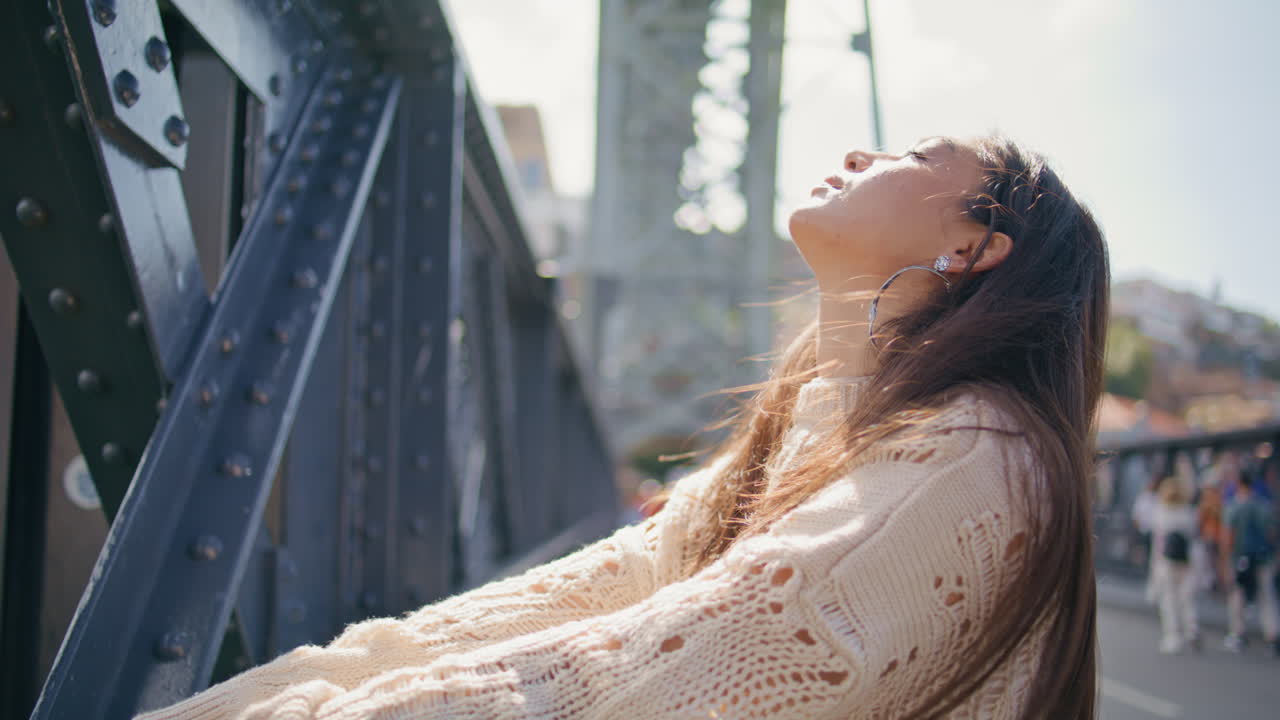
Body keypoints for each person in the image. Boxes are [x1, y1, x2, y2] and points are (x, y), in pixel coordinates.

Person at [136, 135, 1109, 719]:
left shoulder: (972, 461)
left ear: (972, 247)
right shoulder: (818, 424)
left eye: (913, 156)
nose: (861, 152)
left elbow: (629, 681)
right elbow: (599, 592)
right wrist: (293, 685)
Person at [1222, 470, 1280, 655]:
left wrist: (1225, 563)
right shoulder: (1263, 505)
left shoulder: (1234, 506)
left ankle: (1238, 633)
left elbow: (1228, 537)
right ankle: (1272, 636)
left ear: (1239, 483)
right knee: (1267, 596)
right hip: (1263, 558)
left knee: (1238, 596)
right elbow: (1272, 534)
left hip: (1241, 558)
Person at [1148, 466, 1199, 654]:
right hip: (1187, 559)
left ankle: (1173, 635)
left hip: (1166, 560)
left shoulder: (1161, 512)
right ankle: (1192, 630)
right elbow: (1195, 538)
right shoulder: (1188, 512)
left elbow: (1157, 544)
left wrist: (1153, 577)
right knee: (1186, 597)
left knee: (1169, 598)